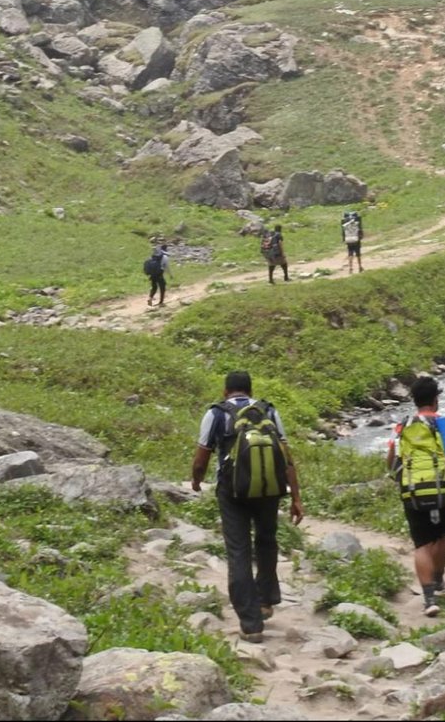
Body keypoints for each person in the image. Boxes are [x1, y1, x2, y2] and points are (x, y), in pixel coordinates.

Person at [191, 371, 304, 637]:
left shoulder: (216, 414)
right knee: (266, 541)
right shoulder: (268, 411)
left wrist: (196, 481)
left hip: (232, 491)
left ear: (225, 391)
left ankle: (251, 624)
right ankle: (265, 601)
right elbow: (286, 457)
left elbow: (201, 457)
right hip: (269, 490)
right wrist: (296, 497)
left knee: (238, 550)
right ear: (250, 391)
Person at [387, 375, 445, 616]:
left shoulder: (402, 427)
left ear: (415, 400)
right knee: (441, 535)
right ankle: (438, 579)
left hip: (413, 491)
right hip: (444, 489)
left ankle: (429, 600)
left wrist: (402, 479)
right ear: (436, 399)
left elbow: (391, 459)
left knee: (422, 544)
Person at [145, 241, 170, 307]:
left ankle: (150, 298)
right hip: (159, 275)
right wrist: (170, 275)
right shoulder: (165, 257)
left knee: (154, 287)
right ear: (166, 249)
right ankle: (161, 302)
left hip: (153, 275)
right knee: (162, 287)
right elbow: (167, 267)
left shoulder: (154, 256)